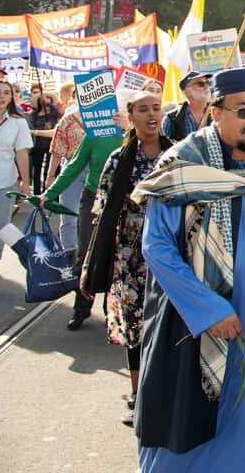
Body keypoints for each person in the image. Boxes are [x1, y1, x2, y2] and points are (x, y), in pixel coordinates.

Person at [131, 67, 245, 471]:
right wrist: (209, 310)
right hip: (190, 328)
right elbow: (156, 246)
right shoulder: (182, 166)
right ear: (215, 112)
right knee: (184, 436)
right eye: (244, 111)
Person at [83, 89, 173, 425]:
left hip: (170, 256)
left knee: (167, 325)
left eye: (156, 108)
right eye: (144, 110)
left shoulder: (178, 155)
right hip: (130, 259)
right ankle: (139, 396)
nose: (152, 115)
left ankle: (166, 392)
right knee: (134, 327)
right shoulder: (118, 161)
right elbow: (104, 214)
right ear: (130, 116)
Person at [42, 100, 126, 330]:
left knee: (117, 258)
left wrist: (128, 130)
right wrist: (48, 194)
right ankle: (81, 309)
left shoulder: (130, 134)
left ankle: (112, 313)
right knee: (85, 255)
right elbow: (73, 167)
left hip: (122, 202)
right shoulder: (91, 137)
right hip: (91, 199)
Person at [0, 80, 31, 261]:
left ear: (11, 97)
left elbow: (22, 154)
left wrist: (26, 182)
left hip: (4, 181)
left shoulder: (18, 122)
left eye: (6, 93)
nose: (1, 96)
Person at [48, 84, 86, 250]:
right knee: (69, 214)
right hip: (72, 169)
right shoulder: (69, 119)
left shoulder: (111, 118)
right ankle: (69, 252)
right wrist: (50, 176)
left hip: (100, 169)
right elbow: (57, 149)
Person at [162, 71, 213, 142]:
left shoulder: (219, 112)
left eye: (208, 82)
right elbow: (166, 147)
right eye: (200, 84)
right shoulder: (171, 119)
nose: (207, 86)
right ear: (187, 92)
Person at [27, 91, 61, 194]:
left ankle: (47, 191)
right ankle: (37, 192)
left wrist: (50, 126)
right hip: (38, 145)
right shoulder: (34, 114)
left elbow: (58, 125)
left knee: (49, 169)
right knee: (37, 169)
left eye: (47, 97)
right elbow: (32, 127)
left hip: (51, 144)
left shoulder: (54, 113)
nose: (44, 100)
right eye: (42, 98)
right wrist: (42, 128)